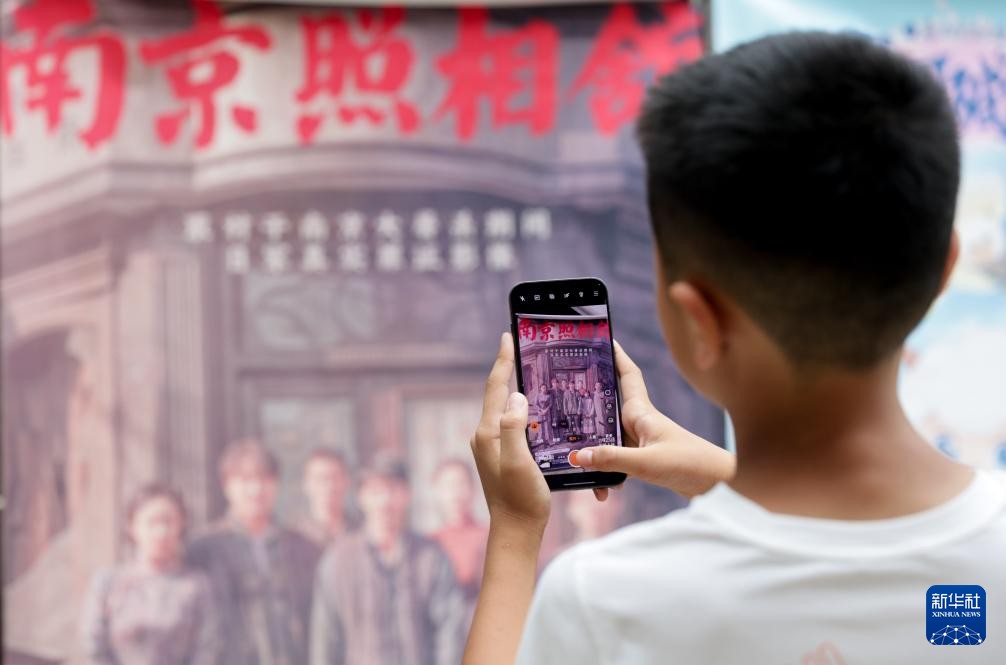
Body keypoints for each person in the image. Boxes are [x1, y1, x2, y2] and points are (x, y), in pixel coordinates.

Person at [464, 32, 1006, 665]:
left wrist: (515, 529)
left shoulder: (607, 600)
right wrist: (723, 477)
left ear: (698, 319)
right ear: (944, 270)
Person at [311, 457, 465, 665]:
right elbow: (326, 641)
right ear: (361, 497)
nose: (384, 501)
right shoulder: (338, 561)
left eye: (393, 489)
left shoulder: (431, 557)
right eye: (375, 491)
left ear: (407, 494)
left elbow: (449, 631)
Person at [186, 439, 321, 665]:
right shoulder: (204, 549)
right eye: (245, 480)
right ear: (226, 485)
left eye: (264, 479)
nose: (256, 490)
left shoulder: (302, 548)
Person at [81, 484, 218, 665]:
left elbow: (207, 649)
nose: (161, 532)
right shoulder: (108, 583)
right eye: (151, 522)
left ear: (181, 524)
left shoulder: (196, 586)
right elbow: (94, 645)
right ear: (132, 526)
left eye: (168, 522)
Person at [430, 459, 489, 616]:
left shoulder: (489, 538)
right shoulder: (429, 544)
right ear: (436, 492)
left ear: (473, 489)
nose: (456, 494)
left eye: (461, 484)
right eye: (448, 486)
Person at [297, 448, 351, 546]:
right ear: (306, 485)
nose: (328, 486)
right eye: (319, 479)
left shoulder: (362, 531)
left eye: (334, 478)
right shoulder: (295, 537)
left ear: (346, 481)